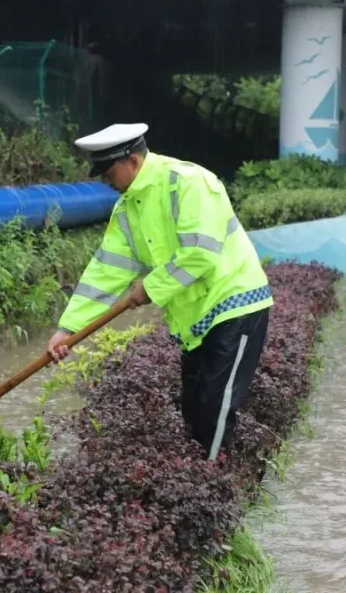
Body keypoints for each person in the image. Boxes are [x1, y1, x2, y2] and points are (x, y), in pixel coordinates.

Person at [45, 123, 274, 461]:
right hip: (194, 319)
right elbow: (106, 271)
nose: (105, 181)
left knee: (213, 407)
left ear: (133, 162)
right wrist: (68, 329)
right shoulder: (127, 208)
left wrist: (149, 288)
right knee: (194, 409)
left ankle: (215, 486)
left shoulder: (189, 182)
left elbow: (201, 252)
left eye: (108, 171)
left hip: (234, 305)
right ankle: (205, 482)